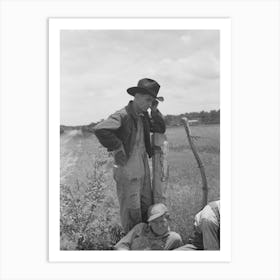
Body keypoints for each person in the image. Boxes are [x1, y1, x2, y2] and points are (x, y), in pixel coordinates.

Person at [94, 78, 166, 233]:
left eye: (152, 101)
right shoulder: (123, 115)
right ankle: (131, 243)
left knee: (146, 205)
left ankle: (146, 240)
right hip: (127, 168)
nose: (149, 104)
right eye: (148, 100)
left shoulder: (144, 115)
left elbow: (160, 128)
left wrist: (154, 111)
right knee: (131, 209)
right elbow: (100, 129)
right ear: (137, 96)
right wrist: (118, 147)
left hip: (143, 166)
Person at [114, 203, 183, 250]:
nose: (159, 225)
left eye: (162, 221)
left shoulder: (174, 239)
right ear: (149, 223)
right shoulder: (141, 228)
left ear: (168, 220)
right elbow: (121, 245)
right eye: (155, 222)